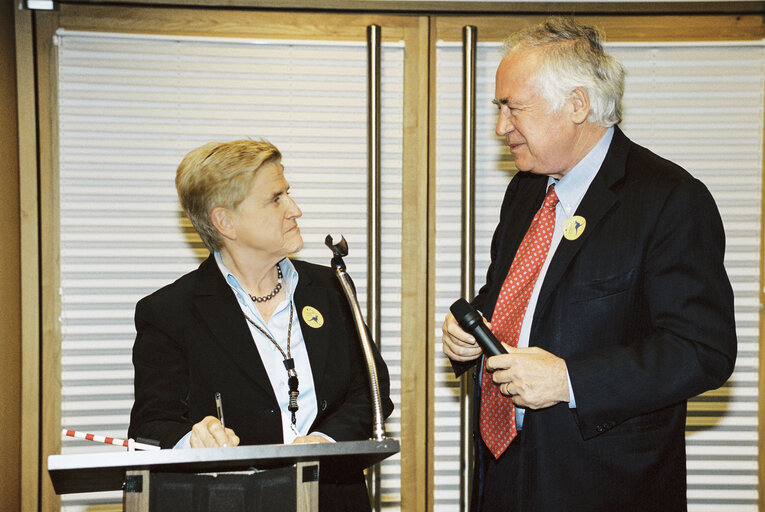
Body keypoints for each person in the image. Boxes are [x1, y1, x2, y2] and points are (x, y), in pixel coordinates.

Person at [441, 17, 736, 512]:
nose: (500, 127)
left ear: (577, 105)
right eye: (499, 109)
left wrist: (569, 380)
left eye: (514, 107)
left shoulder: (668, 198)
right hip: (504, 474)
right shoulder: (525, 191)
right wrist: (470, 330)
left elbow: (702, 349)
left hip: (604, 485)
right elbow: (517, 296)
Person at [128, 139, 393, 511]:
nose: (295, 210)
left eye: (289, 194)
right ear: (225, 221)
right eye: (275, 199)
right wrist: (193, 439)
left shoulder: (331, 288)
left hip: (336, 498)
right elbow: (151, 425)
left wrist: (325, 442)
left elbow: (371, 390)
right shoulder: (170, 312)